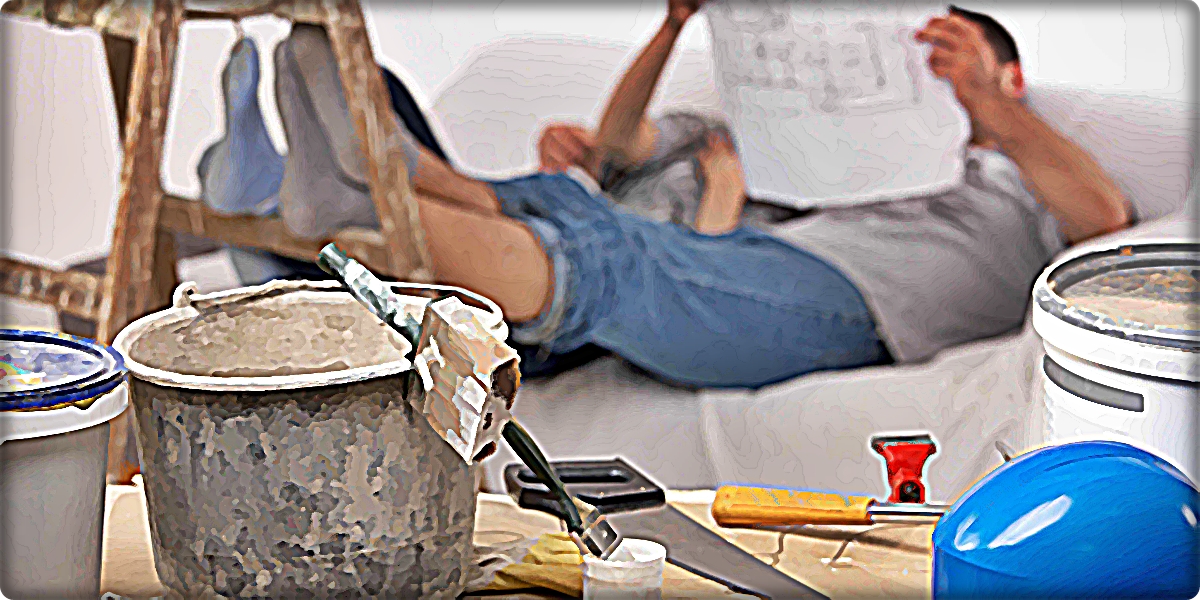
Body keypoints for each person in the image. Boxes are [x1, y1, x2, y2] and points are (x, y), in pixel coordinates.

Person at [227, 1, 1131, 389]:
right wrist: (677, 26)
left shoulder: (1009, 182)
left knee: (610, 248)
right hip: (753, 259)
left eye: (950, 57)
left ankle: (341, 196)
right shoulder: (774, 146)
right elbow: (621, 146)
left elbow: (1105, 216)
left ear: (1009, 77)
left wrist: (984, 102)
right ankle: (320, 199)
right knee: (574, 214)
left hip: (857, 304)